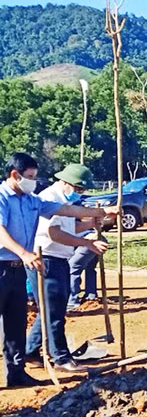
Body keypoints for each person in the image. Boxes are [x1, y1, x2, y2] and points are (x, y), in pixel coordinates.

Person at [0, 153, 117, 387]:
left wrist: (100, 213)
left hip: (19, 269)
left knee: (15, 323)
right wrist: (24, 253)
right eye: (30, 177)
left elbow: (64, 211)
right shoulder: (2, 198)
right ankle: (53, 357)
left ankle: (16, 372)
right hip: (6, 265)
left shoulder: (31, 200)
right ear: (15, 175)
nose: (34, 181)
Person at [26, 164, 109, 371]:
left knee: (52, 309)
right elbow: (55, 234)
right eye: (78, 189)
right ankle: (61, 358)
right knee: (53, 311)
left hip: (59, 258)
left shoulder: (63, 200)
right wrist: (87, 243)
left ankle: (30, 350)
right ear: (66, 183)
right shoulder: (51, 198)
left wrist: (92, 223)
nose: (79, 194)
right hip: (46, 258)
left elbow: (70, 228)